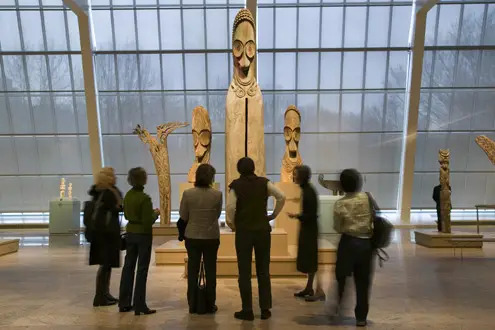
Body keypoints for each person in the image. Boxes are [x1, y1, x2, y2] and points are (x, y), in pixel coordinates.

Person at [226, 157, 286, 321]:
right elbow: (281, 196)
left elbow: (230, 207)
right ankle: (265, 309)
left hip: (244, 231)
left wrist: (232, 224)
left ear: (239, 170)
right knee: (263, 271)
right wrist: (273, 215)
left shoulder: (236, 186)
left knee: (244, 272)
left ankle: (247, 309)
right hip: (262, 231)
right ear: (253, 168)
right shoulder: (264, 183)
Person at [333, 169, 375, 327]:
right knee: (363, 282)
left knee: (341, 276)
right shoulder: (368, 198)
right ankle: (361, 317)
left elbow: (338, 227)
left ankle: (338, 306)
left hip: (348, 242)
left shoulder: (340, 204)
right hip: (366, 244)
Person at [180, 164, 223, 314]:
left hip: (192, 236)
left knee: (193, 270)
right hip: (211, 236)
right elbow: (216, 215)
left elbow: (183, 216)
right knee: (211, 271)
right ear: (211, 177)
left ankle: (192, 303)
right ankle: (210, 303)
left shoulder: (188, 194)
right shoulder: (217, 195)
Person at [119, 167, 159, 315]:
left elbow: (127, 215)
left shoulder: (128, 196)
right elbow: (147, 221)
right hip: (143, 235)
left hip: (130, 233)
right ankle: (139, 304)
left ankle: (124, 302)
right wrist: (156, 214)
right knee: (142, 269)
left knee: (128, 267)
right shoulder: (144, 198)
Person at [288, 165, 325, 302]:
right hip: (308, 228)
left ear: (302, 176)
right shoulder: (307, 190)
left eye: (296, 174)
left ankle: (318, 290)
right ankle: (310, 287)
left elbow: (310, 214)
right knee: (309, 258)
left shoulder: (309, 191)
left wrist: (297, 216)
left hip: (309, 229)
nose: (294, 176)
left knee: (311, 259)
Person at [88, 167, 123, 307]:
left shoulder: (97, 192)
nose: (115, 177)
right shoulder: (109, 193)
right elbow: (118, 207)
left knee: (105, 265)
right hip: (107, 235)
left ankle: (104, 293)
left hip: (99, 234)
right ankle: (100, 296)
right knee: (105, 265)